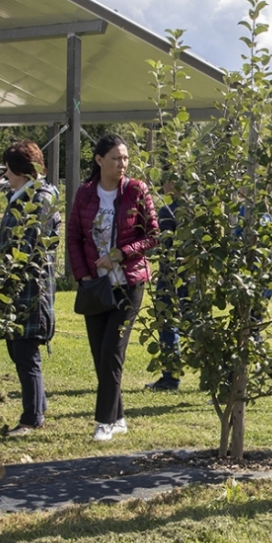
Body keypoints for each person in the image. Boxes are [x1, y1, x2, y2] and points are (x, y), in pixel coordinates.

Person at [67, 134, 158, 442]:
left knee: (111, 352)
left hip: (129, 283)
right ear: (99, 160)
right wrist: (82, 276)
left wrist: (122, 253)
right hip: (95, 286)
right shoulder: (84, 194)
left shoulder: (136, 190)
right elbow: (74, 238)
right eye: (117, 158)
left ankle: (104, 421)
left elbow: (153, 236)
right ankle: (118, 416)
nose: (123, 164)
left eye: (126, 158)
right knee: (99, 354)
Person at [0, 140, 60, 437]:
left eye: (8, 168)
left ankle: (31, 418)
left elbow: (23, 245)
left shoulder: (37, 199)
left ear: (20, 170)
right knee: (19, 349)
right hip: (19, 288)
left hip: (29, 291)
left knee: (25, 351)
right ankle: (38, 407)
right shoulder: (24, 195)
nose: (5, 174)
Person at [146, 180, 185, 392]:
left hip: (170, 275)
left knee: (167, 323)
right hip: (193, 276)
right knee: (194, 323)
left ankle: (171, 377)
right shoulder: (195, 210)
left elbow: (166, 246)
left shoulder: (168, 210)